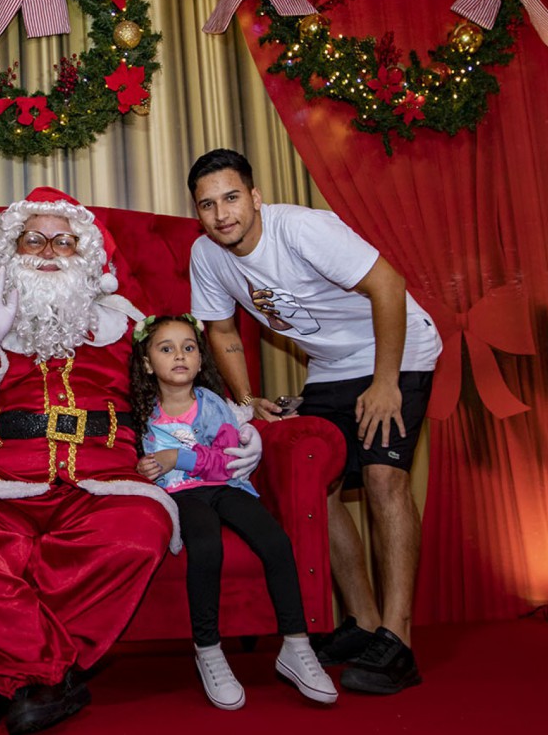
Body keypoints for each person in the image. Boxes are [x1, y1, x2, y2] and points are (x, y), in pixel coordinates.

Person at [0, 188, 210, 735]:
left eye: (63, 242)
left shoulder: (125, 325)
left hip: (103, 481)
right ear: (11, 250)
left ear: (86, 255)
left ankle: (1, 674)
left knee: (144, 526)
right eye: (33, 240)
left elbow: (177, 386)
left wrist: (235, 422)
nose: (48, 251)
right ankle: (41, 679)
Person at [187, 149, 442, 695]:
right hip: (330, 367)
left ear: (255, 197)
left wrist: (386, 382)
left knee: (383, 479)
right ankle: (363, 621)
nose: (221, 214)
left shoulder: (302, 229)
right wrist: (247, 399)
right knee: (315, 484)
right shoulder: (206, 255)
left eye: (231, 198)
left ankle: (398, 640)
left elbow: (389, 285)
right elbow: (221, 330)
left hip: (398, 350)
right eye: (207, 205)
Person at [130, 313, 337, 709]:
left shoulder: (212, 404)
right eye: (166, 348)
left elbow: (226, 461)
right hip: (182, 497)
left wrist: (178, 457)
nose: (179, 356)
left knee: (275, 541)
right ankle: (208, 650)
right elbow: (144, 466)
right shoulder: (143, 414)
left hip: (226, 487)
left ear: (200, 360)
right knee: (206, 545)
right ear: (147, 363)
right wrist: (146, 467)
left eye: (189, 348)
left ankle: (296, 645)